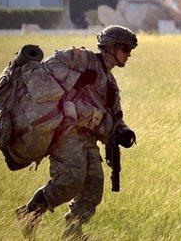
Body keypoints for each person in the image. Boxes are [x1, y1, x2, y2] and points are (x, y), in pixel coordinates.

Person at [15, 25, 138, 239]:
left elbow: (115, 115)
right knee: (70, 181)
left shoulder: (110, 81)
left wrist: (123, 132)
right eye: (126, 49)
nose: (129, 55)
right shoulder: (81, 59)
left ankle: (73, 231)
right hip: (66, 133)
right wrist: (75, 81)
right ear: (111, 47)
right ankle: (31, 211)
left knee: (93, 188)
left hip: (87, 138)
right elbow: (49, 74)